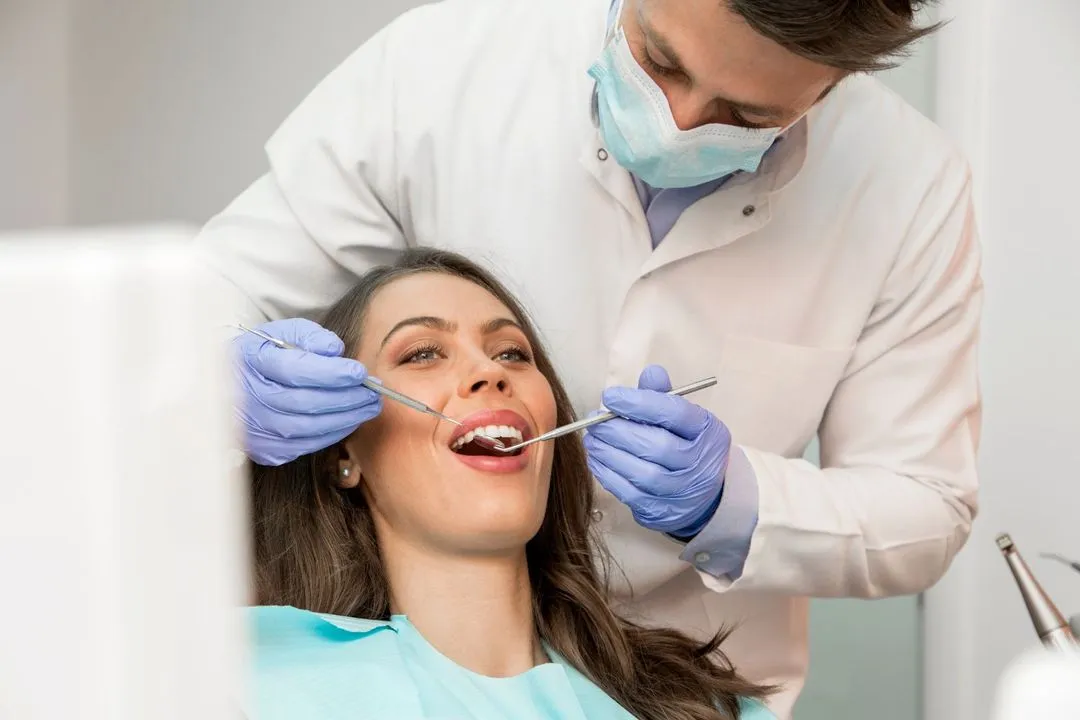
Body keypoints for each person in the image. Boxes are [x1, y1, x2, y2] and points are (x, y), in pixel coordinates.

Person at [199, 0, 983, 714]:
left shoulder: (908, 185)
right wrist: (219, 378)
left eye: (741, 115)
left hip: (682, 687)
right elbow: (196, 304)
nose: (675, 123)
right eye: (661, 63)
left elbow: (925, 502)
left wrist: (734, 502)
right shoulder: (443, 68)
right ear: (346, 458)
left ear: (830, 87)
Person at [243, 248, 776, 720]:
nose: (489, 373)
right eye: (422, 353)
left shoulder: (707, 709)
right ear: (343, 452)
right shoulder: (241, 683)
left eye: (512, 354)